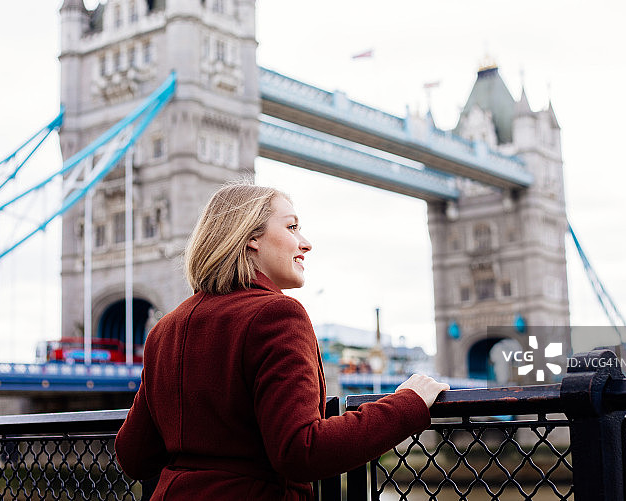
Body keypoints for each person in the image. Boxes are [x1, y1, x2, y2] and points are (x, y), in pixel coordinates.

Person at [115, 182, 448, 500]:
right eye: (291, 227)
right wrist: (407, 404)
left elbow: (133, 455)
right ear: (251, 238)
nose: (305, 243)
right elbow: (301, 450)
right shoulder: (276, 314)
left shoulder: (165, 329)